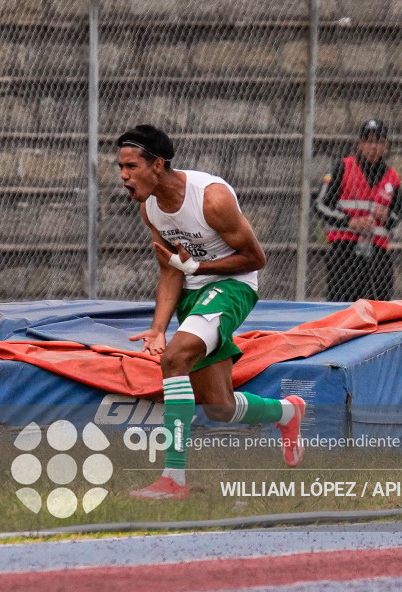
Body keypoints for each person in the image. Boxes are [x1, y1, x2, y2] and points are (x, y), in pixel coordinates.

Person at [117, 124, 306, 501]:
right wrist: (157, 328)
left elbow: (256, 259)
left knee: (174, 360)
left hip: (234, 287)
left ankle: (173, 481)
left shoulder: (211, 199)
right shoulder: (150, 208)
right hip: (194, 291)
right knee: (219, 407)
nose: (123, 176)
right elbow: (171, 268)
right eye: (120, 167)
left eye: (131, 166)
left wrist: (198, 270)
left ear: (157, 165)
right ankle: (287, 412)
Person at [314, 118, 402, 302]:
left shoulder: (392, 177)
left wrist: (387, 216)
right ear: (360, 144)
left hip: (377, 251)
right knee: (341, 305)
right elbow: (320, 205)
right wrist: (350, 221)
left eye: (379, 141)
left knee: (381, 305)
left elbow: (399, 213)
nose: (373, 147)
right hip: (344, 249)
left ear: (385, 145)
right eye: (369, 141)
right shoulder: (343, 167)